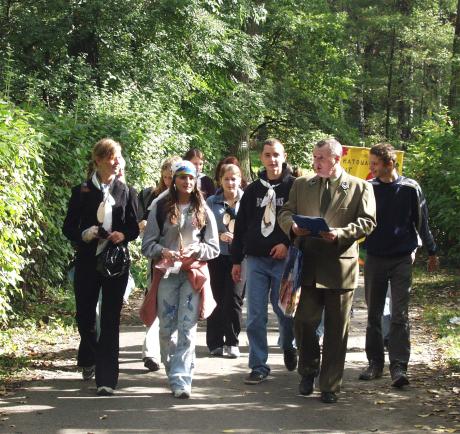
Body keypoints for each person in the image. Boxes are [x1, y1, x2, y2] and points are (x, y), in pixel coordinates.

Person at [278, 137, 376, 403]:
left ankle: (330, 385)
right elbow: (285, 212)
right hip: (307, 266)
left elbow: (368, 222)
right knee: (304, 323)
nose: (315, 162)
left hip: (339, 269)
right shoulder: (301, 185)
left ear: (336, 158)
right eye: (315, 157)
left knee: (336, 331)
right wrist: (292, 227)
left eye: (321, 158)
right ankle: (308, 370)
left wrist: (341, 233)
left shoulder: (360, 187)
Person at [63, 138, 140, 396]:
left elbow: (133, 226)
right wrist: (84, 233)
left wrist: (123, 235)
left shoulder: (126, 192)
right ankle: (89, 356)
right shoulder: (82, 191)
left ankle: (107, 379)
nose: (117, 161)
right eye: (111, 157)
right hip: (86, 263)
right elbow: (68, 227)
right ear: (98, 160)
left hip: (115, 265)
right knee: (86, 319)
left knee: (109, 320)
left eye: (118, 156)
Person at [359, 143, 438, 388]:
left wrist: (432, 250)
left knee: (399, 315)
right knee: (373, 313)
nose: (371, 168)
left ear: (389, 164)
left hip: (402, 258)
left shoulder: (410, 188)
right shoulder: (368, 188)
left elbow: (421, 221)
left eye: (374, 164)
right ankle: (375, 363)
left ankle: (399, 367)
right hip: (374, 258)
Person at [141, 160, 219, 399]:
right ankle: (172, 370)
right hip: (166, 274)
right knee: (166, 328)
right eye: (182, 177)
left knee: (187, 327)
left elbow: (213, 247)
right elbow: (147, 245)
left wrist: (196, 251)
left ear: (196, 181)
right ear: (173, 180)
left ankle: (181, 379)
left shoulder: (203, 208)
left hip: (191, 275)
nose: (187, 182)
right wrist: (163, 251)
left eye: (191, 178)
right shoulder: (160, 207)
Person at [231, 138, 297, 385]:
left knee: (284, 312)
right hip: (256, 260)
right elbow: (240, 227)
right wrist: (236, 260)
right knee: (255, 315)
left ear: (284, 155)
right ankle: (258, 365)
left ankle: (289, 344)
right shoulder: (253, 190)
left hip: (284, 261)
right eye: (268, 155)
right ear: (262, 158)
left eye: (276, 155)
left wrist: (287, 243)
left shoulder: (294, 187)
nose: (272, 160)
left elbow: (302, 222)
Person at [138, 156, 181, 373]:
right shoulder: (153, 197)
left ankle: (169, 354)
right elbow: (140, 222)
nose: (168, 182)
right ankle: (151, 352)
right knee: (154, 300)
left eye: (171, 178)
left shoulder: (187, 199)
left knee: (172, 310)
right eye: (165, 178)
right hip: (157, 259)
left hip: (180, 263)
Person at [206, 164, 245, 358]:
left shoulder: (247, 200)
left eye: (234, 179)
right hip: (216, 256)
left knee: (234, 299)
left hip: (240, 257)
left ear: (240, 180)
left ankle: (232, 341)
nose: (230, 183)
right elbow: (202, 226)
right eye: (227, 179)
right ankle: (214, 342)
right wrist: (218, 236)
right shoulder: (212, 202)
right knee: (216, 298)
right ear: (220, 180)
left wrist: (237, 237)